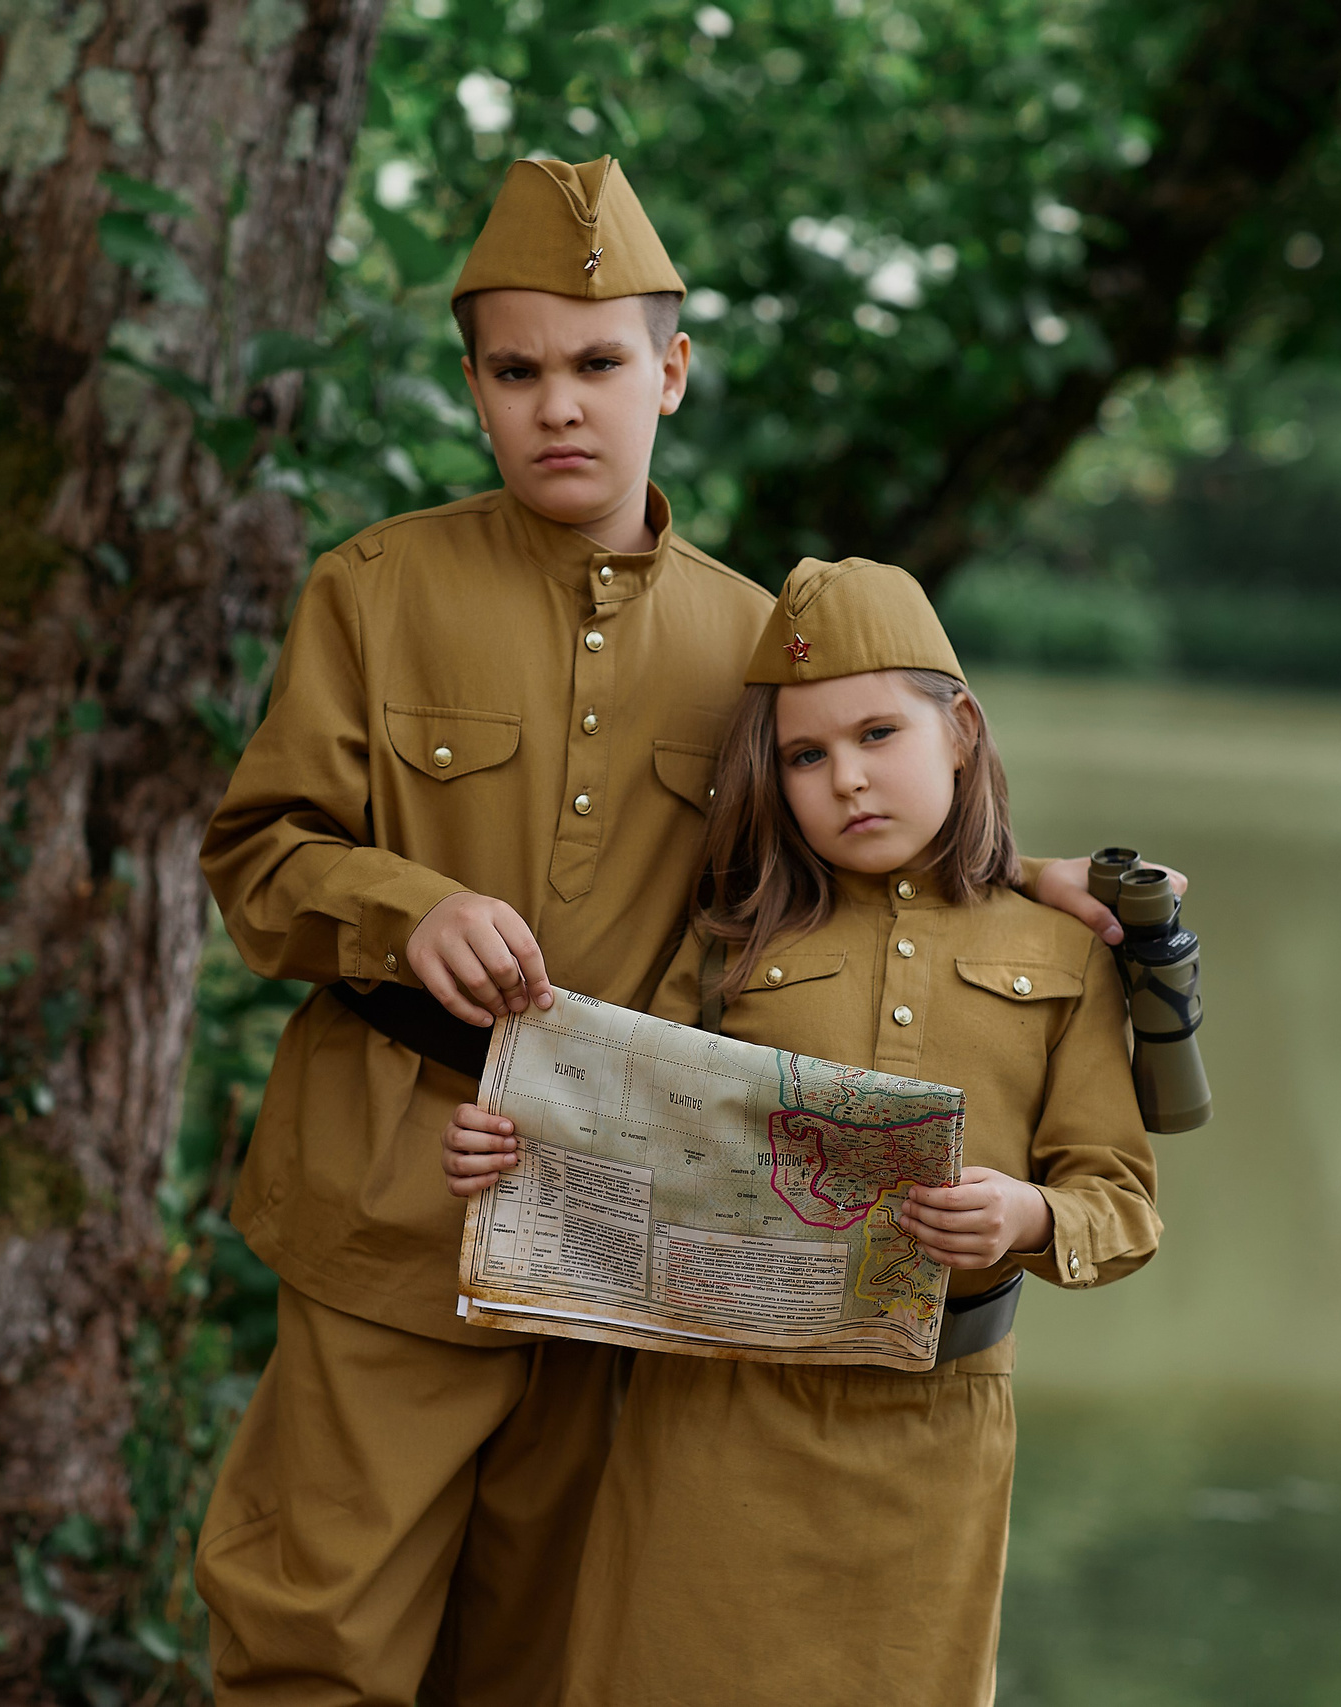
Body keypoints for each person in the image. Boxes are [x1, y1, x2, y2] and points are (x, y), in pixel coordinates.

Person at [200, 154, 1151, 1706]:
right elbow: (257, 855)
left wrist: (1032, 880)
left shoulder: (746, 649)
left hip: (626, 1251)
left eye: (596, 365)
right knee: (315, 1630)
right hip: (391, 1194)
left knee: (538, 1649)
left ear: (672, 373)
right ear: (475, 385)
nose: (558, 404)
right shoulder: (374, 589)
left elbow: (859, 858)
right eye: (517, 371)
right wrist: (407, 904)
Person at [442, 558, 1163, 1707]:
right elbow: (610, 1135)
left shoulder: (1067, 956)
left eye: (879, 735)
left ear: (961, 731)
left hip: (937, 1427)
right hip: (712, 1420)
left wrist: (1025, 1213)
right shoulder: (734, 942)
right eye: (805, 756)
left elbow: (1119, 1205)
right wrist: (507, 1156)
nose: (848, 782)